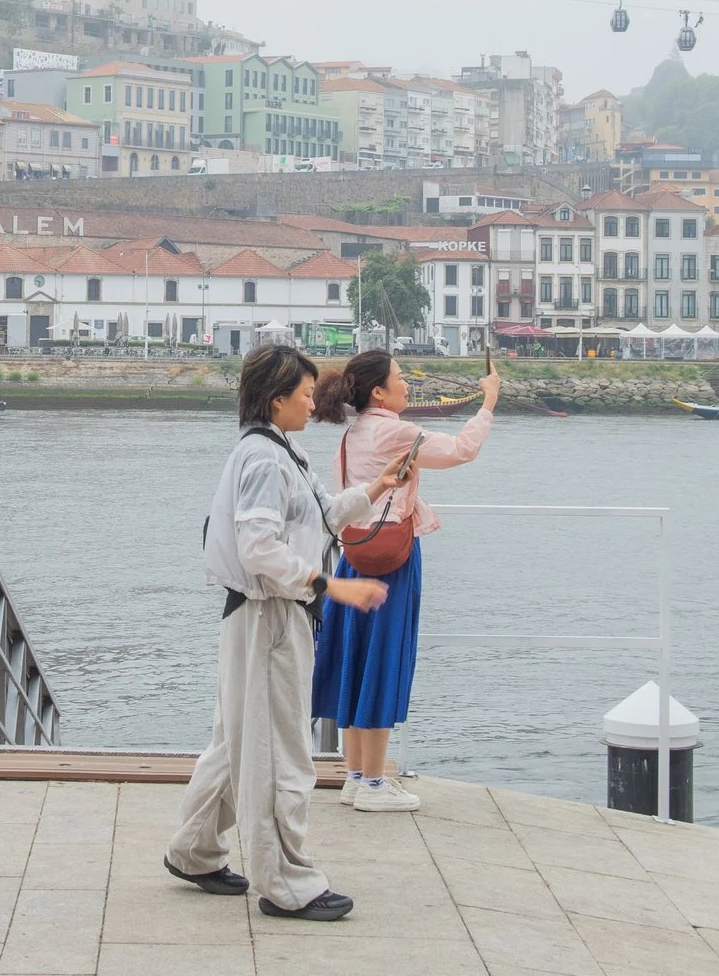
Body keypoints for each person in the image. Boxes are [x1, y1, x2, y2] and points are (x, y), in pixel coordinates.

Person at [164, 343, 409, 922]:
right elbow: (259, 549)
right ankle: (286, 882)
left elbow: (322, 513)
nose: (311, 403)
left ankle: (194, 849)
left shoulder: (279, 451)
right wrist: (330, 585)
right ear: (276, 401)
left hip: (256, 616)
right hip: (270, 615)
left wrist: (375, 489)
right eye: (302, 395)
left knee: (236, 743)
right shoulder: (266, 461)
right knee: (277, 752)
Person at [309, 349, 499, 812]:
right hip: (392, 556)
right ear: (379, 391)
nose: (407, 384)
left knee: (356, 659)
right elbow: (461, 451)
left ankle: (356, 776)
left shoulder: (352, 434)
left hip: (353, 553)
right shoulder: (396, 431)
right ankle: (374, 783)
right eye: (399, 377)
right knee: (385, 658)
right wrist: (488, 402)